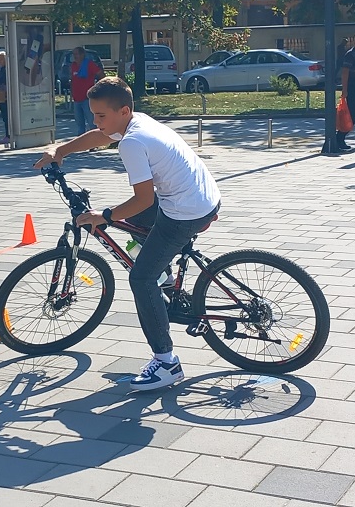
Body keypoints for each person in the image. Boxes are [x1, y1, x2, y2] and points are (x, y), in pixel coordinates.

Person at [34, 77, 221, 391]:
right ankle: (166, 277)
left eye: (101, 115)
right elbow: (100, 135)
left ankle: (167, 363)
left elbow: (143, 199)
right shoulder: (137, 120)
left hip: (185, 212)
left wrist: (104, 216)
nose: (96, 121)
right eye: (93, 114)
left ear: (123, 111)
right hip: (200, 196)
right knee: (137, 223)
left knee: (141, 279)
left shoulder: (132, 143)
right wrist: (61, 149)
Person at [70, 47, 104, 136]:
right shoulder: (73, 65)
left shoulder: (89, 64)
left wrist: (100, 87)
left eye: (76, 54)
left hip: (87, 99)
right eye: (73, 54)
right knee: (80, 124)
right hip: (76, 99)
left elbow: (101, 74)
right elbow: (73, 80)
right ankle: (81, 141)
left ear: (82, 55)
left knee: (92, 123)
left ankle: (95, 141)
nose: (74, 56)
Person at [0, 51, 9, 145]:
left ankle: (9, 135)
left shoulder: (7, 70)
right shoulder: (1, 70)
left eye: (1, 59)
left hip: (6, 97)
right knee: (4, 117)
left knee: (7, 117)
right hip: (1, 96)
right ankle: (8, 135)